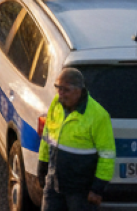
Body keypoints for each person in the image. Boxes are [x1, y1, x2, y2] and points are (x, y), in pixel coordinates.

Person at [37, 66, 114, 209]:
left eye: (66, 90)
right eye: (58, 88)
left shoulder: (98, 116)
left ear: (79, 91)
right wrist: (42, 165)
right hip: (54, 183)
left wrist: (97, 188)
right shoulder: (56, 104)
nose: (60, 93)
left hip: (80, 190)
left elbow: (107, 155)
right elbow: (47, 136)